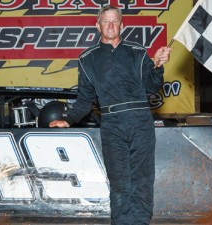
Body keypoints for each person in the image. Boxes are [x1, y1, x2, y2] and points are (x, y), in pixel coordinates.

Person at [49, 5, 171, 225]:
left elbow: (152, 87)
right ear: (98, 26)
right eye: (106, 21)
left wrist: (158, 67)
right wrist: (68, 119)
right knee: (120, 183)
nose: (111, 25)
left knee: (142, 181)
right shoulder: (87, 59)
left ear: (122, 26)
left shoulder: (138, 52)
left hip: (140, 121)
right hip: (112, 125)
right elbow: (85, 99)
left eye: (115, 21)